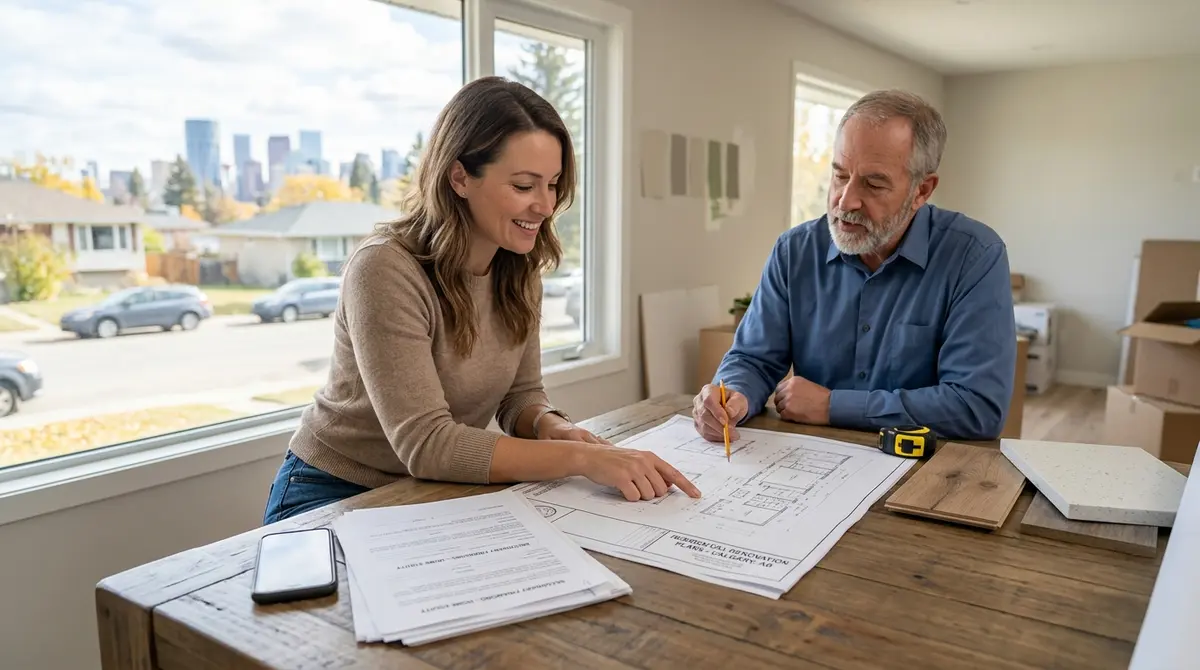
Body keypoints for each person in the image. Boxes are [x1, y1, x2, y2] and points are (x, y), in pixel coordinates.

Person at [263, 76, 700, 525]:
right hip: (333, 491)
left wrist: (552, 425)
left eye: (552, 184)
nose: (546, 206)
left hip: (433, 488)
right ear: (459, 178)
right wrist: (581, 459)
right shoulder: (384, 268)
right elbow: (427, 444)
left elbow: (520, 395)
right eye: (524, 186)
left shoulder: (520, 267)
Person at [693, 89, 1016, 443]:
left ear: (921, 191)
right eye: (840, 176)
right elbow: (753, 359)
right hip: (809, 459)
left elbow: (976, 407)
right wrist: (733, 394)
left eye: (873, 183)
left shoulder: (975, 257)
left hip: (926, 465)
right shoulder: (794, 251)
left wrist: (832, 406)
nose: (845, 201)